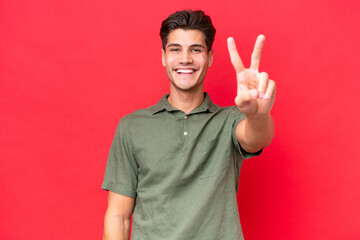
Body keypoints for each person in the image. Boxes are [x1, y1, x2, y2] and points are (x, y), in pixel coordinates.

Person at [102, 9, 275, 240]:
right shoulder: (132, 127)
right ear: (164, 56)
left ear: (210, 57)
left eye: (196, 49)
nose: (185, 59)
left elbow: (256, 138)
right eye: (175, 49)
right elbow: (118, 217)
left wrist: (258, 116)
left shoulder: (230, 120)